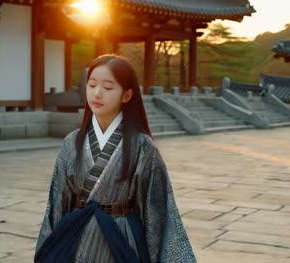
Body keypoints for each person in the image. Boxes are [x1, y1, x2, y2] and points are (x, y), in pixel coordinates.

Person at [35, 54, 196, 263]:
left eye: (108, 88)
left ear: (127, 95)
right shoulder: (71, 142)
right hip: (75, 236)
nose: (97, 93)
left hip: (121, 240)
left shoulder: (142, 146)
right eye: (91, 85)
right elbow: (56, 205)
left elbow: (159, 213)